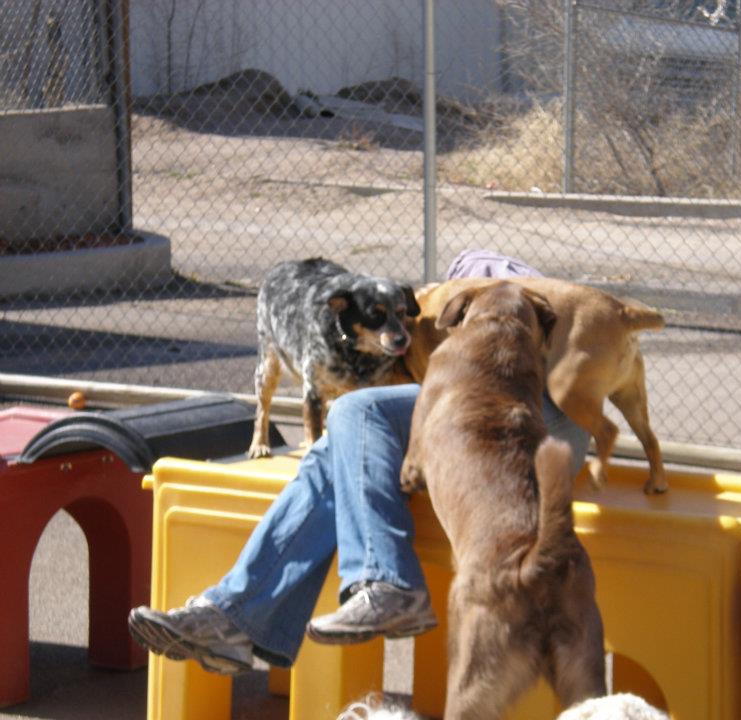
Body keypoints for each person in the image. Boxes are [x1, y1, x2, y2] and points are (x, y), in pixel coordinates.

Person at [127, 250, 589, 674]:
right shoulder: (477, 296)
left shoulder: (476, 288)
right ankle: (234, 615)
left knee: (355, 410)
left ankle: (385, 582)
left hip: (524, 418)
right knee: (337, 449)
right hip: (524, 413)